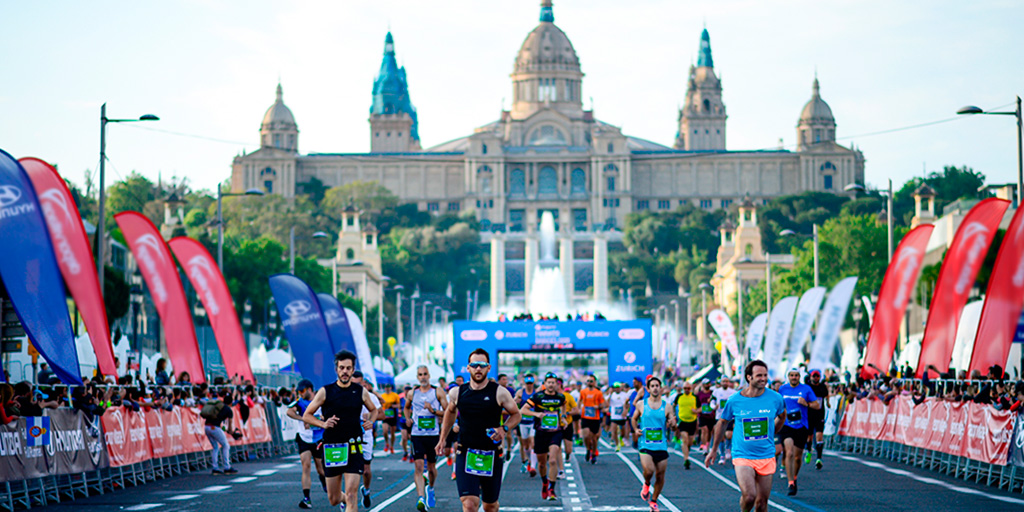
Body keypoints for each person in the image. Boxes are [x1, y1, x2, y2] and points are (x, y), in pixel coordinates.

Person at [436, 349, 521, 512]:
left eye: (482, 365)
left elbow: (516, 414)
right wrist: (442, 439)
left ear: (488, 368)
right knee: (469, 503)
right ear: (468, 368)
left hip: (491, 453)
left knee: (490, 506)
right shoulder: (458, 392)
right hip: (465, 451)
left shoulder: (499, 392)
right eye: (474, 365)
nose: (478, 369)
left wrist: (504, 428)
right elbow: (450, 412)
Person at [301, 351, 378, 511]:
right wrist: (323, 424)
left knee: (352, 495)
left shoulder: (360, 391)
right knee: (334, 498)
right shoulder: (325, 391)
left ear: (352, 369)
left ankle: (349, 501)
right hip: (332, 447)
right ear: (336, 369)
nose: (345, 371)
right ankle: (342, 499)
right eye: (342, 368)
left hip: (354, 446)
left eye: (348, 368)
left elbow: (374, 409)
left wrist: (371, 421)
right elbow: (307, 415)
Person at [706, 360, 785, 512]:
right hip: (743, 454)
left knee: (762, 504)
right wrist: (714, 449)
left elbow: (782, 417)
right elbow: (722, 423)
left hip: (766, 455)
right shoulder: (735, 400)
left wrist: (773, 432)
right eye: (759, 375)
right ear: (749, 377)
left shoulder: (775, 398)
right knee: (749, 496)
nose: (763, 379)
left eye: (765, 375)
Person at [405, 365, 448, 511]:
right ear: (417, 377)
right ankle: (421, 498)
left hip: (433, 435)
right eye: (420, 375)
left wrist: (433, 411)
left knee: (431, 468)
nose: (423, 377)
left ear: (429, 375)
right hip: (417, 434)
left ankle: (430, 487)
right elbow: (406, 407)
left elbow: (448, 411)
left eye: (425, 374)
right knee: (418, 466)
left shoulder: (437, 391)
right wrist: (408, 418)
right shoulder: (412, 393)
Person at [521, 373, 567, 501]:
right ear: (545, 384)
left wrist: (563, 417)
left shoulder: (560, 397)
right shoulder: (538, 397)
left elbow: (563, 406)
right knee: (542, 463)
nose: (551, 385)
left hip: (555, 432)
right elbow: (523, 410)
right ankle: (545, 483)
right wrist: (536, 414)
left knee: (552, 460)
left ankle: (552, 489)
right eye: (549, 382)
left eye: (553, 382)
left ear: (557, 384)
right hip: (541, 433)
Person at [632, 376, 675, 512]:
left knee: (661, 475)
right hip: (645, 444)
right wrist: (635, 429)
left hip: (661, 445)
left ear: (660, 388)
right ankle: (646, 484)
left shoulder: (667, 406)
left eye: (657, 385)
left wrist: (673, 424)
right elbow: (633, 418)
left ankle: (654, 501)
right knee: (649, 470)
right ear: (648, 389)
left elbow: (673, 424)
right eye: (653, 386)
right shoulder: (641, 404)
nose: (655, 388)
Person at [777, 368, 820, 495]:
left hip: (801, 426)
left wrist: (806, 403)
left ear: (799, 377)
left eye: (796, 375)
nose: (794, 377)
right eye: (791, 375)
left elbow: (817, 405)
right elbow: (778, 405)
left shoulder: (806, 389)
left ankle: (794, 477)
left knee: (797, 457)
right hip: (786, 425)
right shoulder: (782, 389)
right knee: (789, 452)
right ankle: (790, 483)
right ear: (788, 376)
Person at [287, 379, 326, 509]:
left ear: (310, 389)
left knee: (321, 468)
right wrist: (302, 418)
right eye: (299, 391)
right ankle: (306, 498)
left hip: (318, 438)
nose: (301, 393)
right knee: (306, 465)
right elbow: (289, 412)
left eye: (302, 391)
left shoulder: (320, 401)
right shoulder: (300, 402)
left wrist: (320, 420)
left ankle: (324, 481)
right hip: (304, 438)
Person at [352, 371, 382, 507]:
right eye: (354, 383)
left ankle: (366, 490)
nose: (356, 386)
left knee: (366, 470)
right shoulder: (344, 396)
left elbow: (381, 415)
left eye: (359, 383)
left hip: (365, 436)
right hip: (349, 436)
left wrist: (370, 417)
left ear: (364, 383)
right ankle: (349, 497)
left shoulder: (370, 397)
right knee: (349, 470)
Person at [203, 388, 239, 476]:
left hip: (207, 427)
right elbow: (229, 426)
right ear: (231, 402)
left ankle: (215, 468)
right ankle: (227, 467)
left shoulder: (219, 406)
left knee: (215, 447)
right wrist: (232, 432)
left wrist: (225, 430)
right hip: (214, 428)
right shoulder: (229, 410)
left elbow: (220, 426)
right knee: (226, 445)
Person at [514, 374, 538, 476]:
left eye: (531, 383)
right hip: (523, 421)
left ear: (533, 384)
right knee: (525, 445)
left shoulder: (536, 393)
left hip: (533, 421)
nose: (529, 385)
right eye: (527, 383)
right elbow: (513, 403)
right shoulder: (520, 392)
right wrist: (516, 401)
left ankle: (533, 466)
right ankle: (528, 460)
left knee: (532, 443)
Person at [804, 369, 829, 470]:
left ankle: (819, 458)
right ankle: (809, 451)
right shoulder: (808, 387)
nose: (815, 378)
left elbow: (826, 395)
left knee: (819, 436)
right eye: (814, 376)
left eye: (817, 376)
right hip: (809, 414)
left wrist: (828, 403)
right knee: (809, 437)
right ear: (810, 377)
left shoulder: (822, 387)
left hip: (819, 414)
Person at [579, 374, 606, 464]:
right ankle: (588, 449)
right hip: (585, 416)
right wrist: (579, 409)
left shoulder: (598, 393)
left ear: (594, 382)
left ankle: (593, 453)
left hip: (595, 417)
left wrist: (597, 406)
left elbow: (603, 404)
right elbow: (580, 401)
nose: (589, 382)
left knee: (594, 438)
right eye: (588, 381)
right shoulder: (583, 392)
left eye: (591, 381)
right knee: (586, 435)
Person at [673, 381, 699, 469]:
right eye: (685, 388)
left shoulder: (694, 397)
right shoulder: (679, 396)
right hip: (682, 421)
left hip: (692, 421)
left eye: (688, 388)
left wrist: (696, 411)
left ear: (691, 388)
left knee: (690, 442)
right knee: (684, 439)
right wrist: (673, 416)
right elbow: (673, 405)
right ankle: (686, 459)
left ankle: (687, 451)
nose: (687, 390)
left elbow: (700, 408)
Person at [712, 378, 738, 464]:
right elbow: (712, 401)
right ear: (721, 383)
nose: (725, 383)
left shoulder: (733, 392)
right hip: (719, 416)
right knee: (720, 436)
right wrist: (713, 406)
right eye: (723, 382)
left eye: (727, 381)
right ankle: (722, 455)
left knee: (729, 435)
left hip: (730, 417)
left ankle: (728, 448)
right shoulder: (716, 391)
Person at [379, 383, 400, 455]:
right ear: (385, 389)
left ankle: (392, 446)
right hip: (385, 415)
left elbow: (399, 405)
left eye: (389, 388)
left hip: (393, 415)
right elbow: (380, 405)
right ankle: (387, 443)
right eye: (386, 388)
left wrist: (394, 406)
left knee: (392, 432)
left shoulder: (395, 395)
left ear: (391, 388)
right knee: (385, 431)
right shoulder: (382, 396)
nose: (387, 389)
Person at [608, 383, 629, 450]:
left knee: (623, 431)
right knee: (614, 431)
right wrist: (610, 394)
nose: (617, 389)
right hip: (614, 416)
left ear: (620, 388)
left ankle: (621, 438)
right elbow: (607, 403)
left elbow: (627, 405)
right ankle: (617, 445)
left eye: (618, 387)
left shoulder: (624, 395)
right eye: (615, 387)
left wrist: (625, 412)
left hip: (621, 416)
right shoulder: (612, 395)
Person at [695, 379, 715, 451]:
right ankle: (704, 446)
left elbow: (715, 402)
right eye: (706, 384)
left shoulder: (713, 393)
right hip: (702, 415)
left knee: (709, 432)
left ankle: (707, 444)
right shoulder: (699, 394)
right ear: (703, 385)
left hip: (711, 415)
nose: (707, 385)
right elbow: (697, 405)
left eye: (708, 383)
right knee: (704, 430)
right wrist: (697, 412)